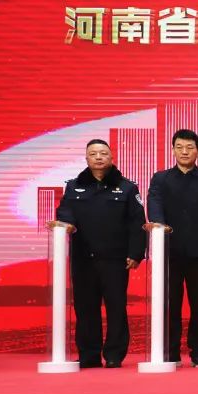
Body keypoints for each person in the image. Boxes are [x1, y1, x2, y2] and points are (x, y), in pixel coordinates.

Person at [55, 139, 146, 368]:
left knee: (116, 307)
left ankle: (114, 354)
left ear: (111, 157)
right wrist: (66, 224)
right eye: (93, 153)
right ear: (86, 158)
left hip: (116, 258)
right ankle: (89, 355)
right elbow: (64, 212)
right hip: (83, 257)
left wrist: (136, 253)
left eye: (103, 153)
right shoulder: (73, 186)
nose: (98, 157)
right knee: (85, 308)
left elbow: (137, 222)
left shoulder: (127, 187)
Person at [147, 129, 198, 368]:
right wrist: (159, 225)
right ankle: (171, 352)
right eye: (179, 147)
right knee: (171, 304)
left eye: (189, 147)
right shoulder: (161, 178)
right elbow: (154, 204)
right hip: (169, 252)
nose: (184, 152)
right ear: (172, 150)